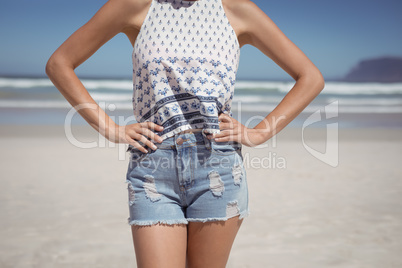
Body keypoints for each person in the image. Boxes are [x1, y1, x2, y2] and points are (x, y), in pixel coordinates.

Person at [46, 0, 325, 267]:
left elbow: (310, 77)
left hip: (218, 165)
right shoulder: (136, 5)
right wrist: (111, 129)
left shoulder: (239, 11)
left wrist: (259, 133)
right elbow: (60, 63)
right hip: (154, 165)